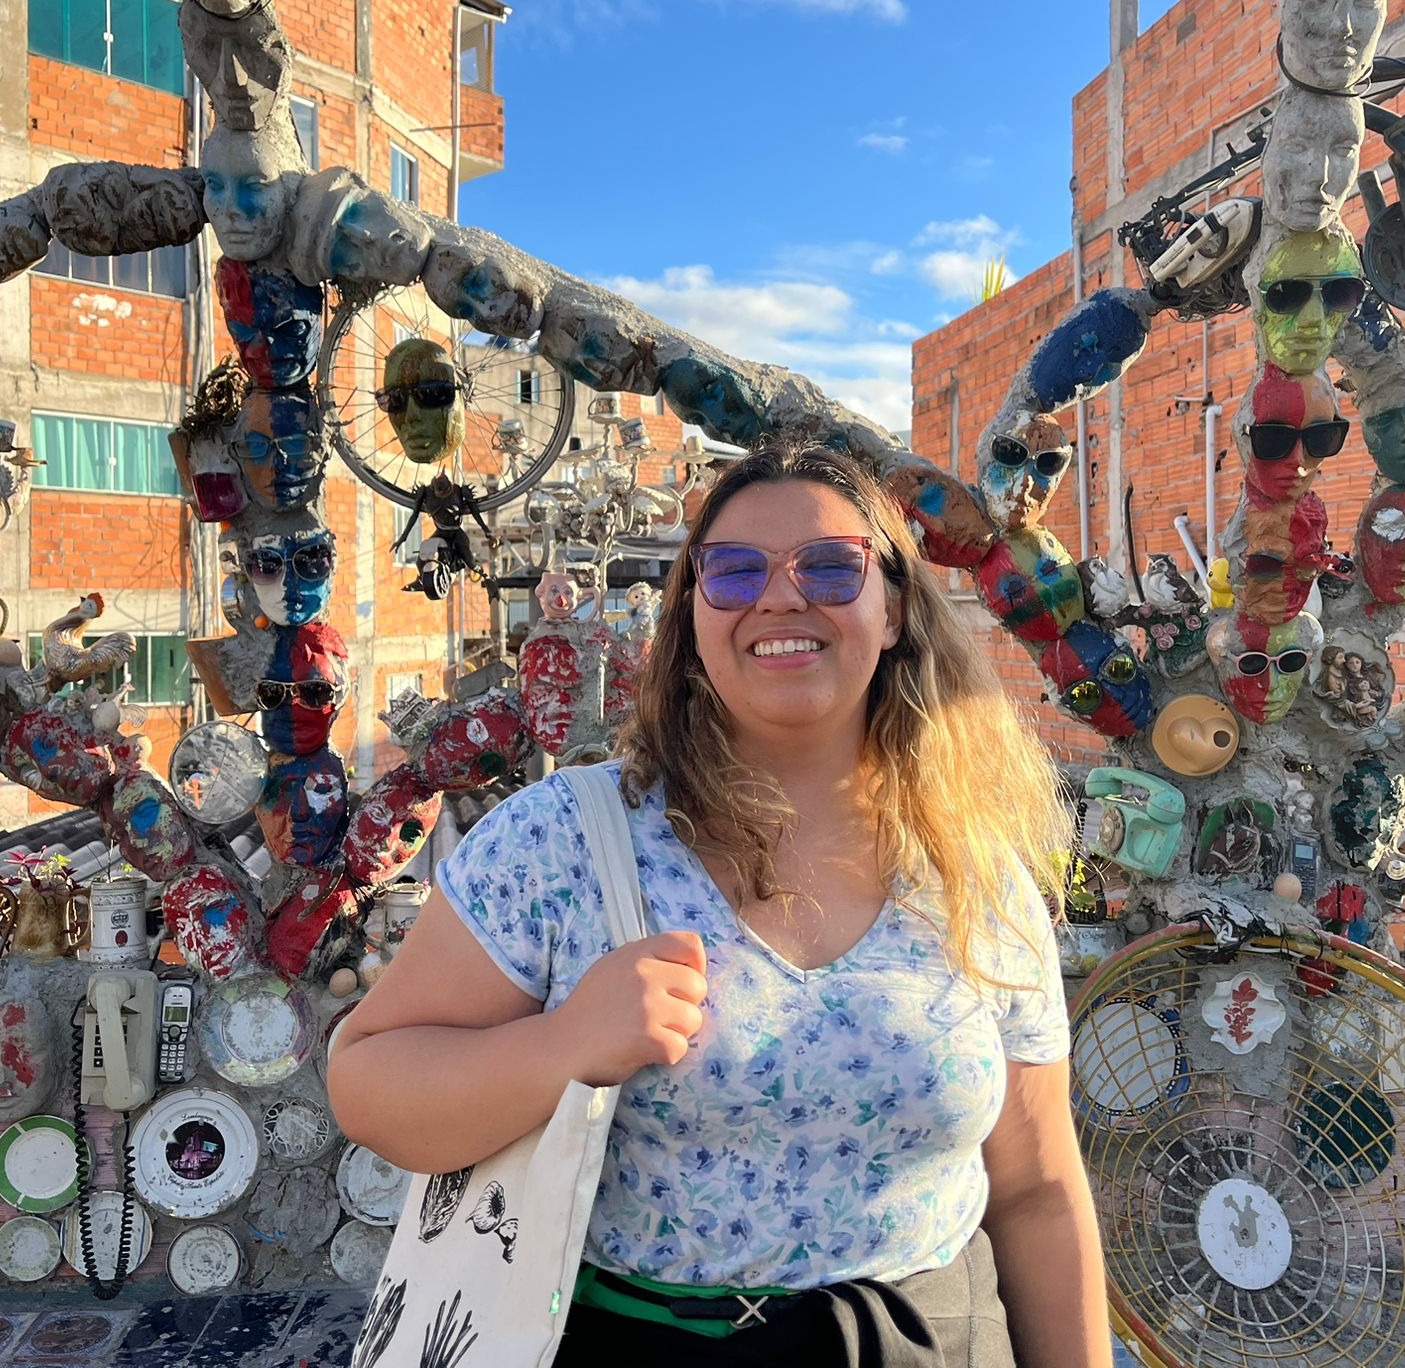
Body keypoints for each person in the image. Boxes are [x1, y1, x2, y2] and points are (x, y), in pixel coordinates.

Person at [329, 437, 1110, 1367]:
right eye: (732, 572)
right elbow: (370, 1084)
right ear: (693, 617)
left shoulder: (973, 867)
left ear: (894, 607)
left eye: (830, 566)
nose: (780, 597)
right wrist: (562, 1046)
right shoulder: (566, 844)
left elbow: (1037, 1192)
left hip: (926, 1344)